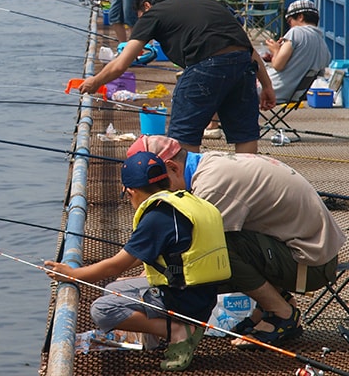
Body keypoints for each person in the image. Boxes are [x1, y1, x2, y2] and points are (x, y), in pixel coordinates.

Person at [126, 135, 346, 349]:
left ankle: (282, 314)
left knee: (216, 254)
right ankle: (275, 304)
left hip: (311, 264)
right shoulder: (208, 164)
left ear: (172, 167)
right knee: (217, 251)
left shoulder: (211, 187)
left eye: (157, 187)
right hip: (305, 250)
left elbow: (194, 249)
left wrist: (142, 280)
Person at [44, 151, 230, 371]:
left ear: (131, 190)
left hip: (185, 300)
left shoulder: (158, 216)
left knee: (102, 310)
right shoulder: (186, 201)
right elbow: (141, 255)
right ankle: (157, 339)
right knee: (115, 288)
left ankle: (178, 331)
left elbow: (117, 264)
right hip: (201, 293)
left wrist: (73, 274)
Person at [79, 0, 276, 154]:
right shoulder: (203, 1)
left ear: (146, 6)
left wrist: (95, 82)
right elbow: (247, 47)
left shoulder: (153, 14)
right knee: (245, 134)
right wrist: (267, 86)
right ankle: (250, 184)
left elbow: (121, 63)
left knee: (183, 135)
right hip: (242, 64)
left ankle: (187, 191)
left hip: (206, 64)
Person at [265, 0, 331, 101]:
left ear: (300, 17)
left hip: (273, 90)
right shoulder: (324, 46)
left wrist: (275, 50)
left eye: (289, 21)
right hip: (297, 95)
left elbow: (278, 65)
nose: (290, 25)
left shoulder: (296, 32)